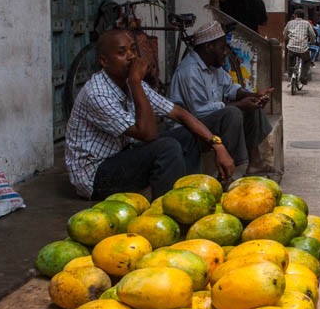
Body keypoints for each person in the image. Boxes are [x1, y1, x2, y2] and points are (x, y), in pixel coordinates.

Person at [65, 29, 235, 200]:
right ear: (104, 61)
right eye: (121, 53)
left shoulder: (129, 80)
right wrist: (136, 82)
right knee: (166, 149)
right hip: (96, 176)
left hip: (122, 153)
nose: (131, 56)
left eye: (132, 49)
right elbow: (148, 134)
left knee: (187, 134)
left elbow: (179, 113)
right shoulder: (97, 93)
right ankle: (165, 209)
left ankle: (190, 196)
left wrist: (217, 144)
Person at [168, 21, 273, 175]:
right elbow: (199, 112)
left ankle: (255, 163)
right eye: (222, 48)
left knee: (252, 107)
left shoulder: (213, 67)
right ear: (208, 47)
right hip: (189, 129)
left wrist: (252, 96)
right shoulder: (190, 71)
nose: (225, 52)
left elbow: (229, 88)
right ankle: (227, 173)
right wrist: (239, 105)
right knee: (232, 113)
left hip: (205, 120)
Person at [284, 9, 316, 84]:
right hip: (303, 49)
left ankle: (290, 73)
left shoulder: (289, 23)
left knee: (290, 58)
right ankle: (303, 77)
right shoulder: (307, 23)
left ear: (295, 15)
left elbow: (285, 34)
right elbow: (312, 35)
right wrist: (312, 42)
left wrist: (288, 39)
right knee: (307, 61)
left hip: (291, 47)